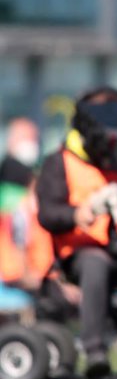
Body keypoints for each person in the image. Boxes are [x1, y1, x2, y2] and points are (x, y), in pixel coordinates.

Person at [36, 87, 117, 378]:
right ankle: (95, 350)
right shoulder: (59, 162)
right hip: (76, 255)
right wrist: (76, 214)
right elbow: (47, 213)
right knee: (95, 262)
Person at [0, 118, 42, 288]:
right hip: (15, 272)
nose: (32, 144)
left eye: (34, 139)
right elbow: (18, 231)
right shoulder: (12, 172)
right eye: (27, 139)